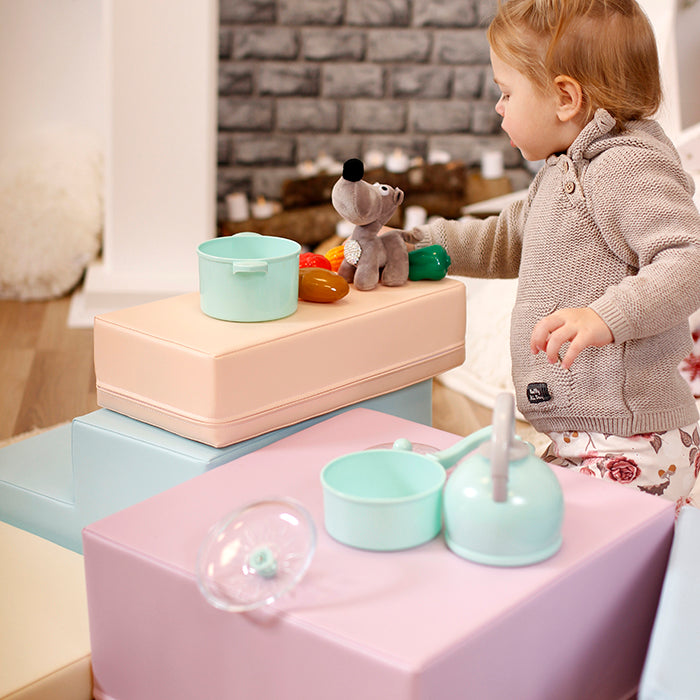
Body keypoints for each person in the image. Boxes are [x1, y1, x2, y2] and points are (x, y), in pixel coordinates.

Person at [408, 0, 700, 509]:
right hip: (584, 433)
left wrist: (605, 315)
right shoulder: (563, 173)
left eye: (507, 92)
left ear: (565, 97)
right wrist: (419, 244)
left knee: (545, 535)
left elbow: (688, 257)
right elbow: (503, 240)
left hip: (630, 440)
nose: (499, 107)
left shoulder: (624, 168)